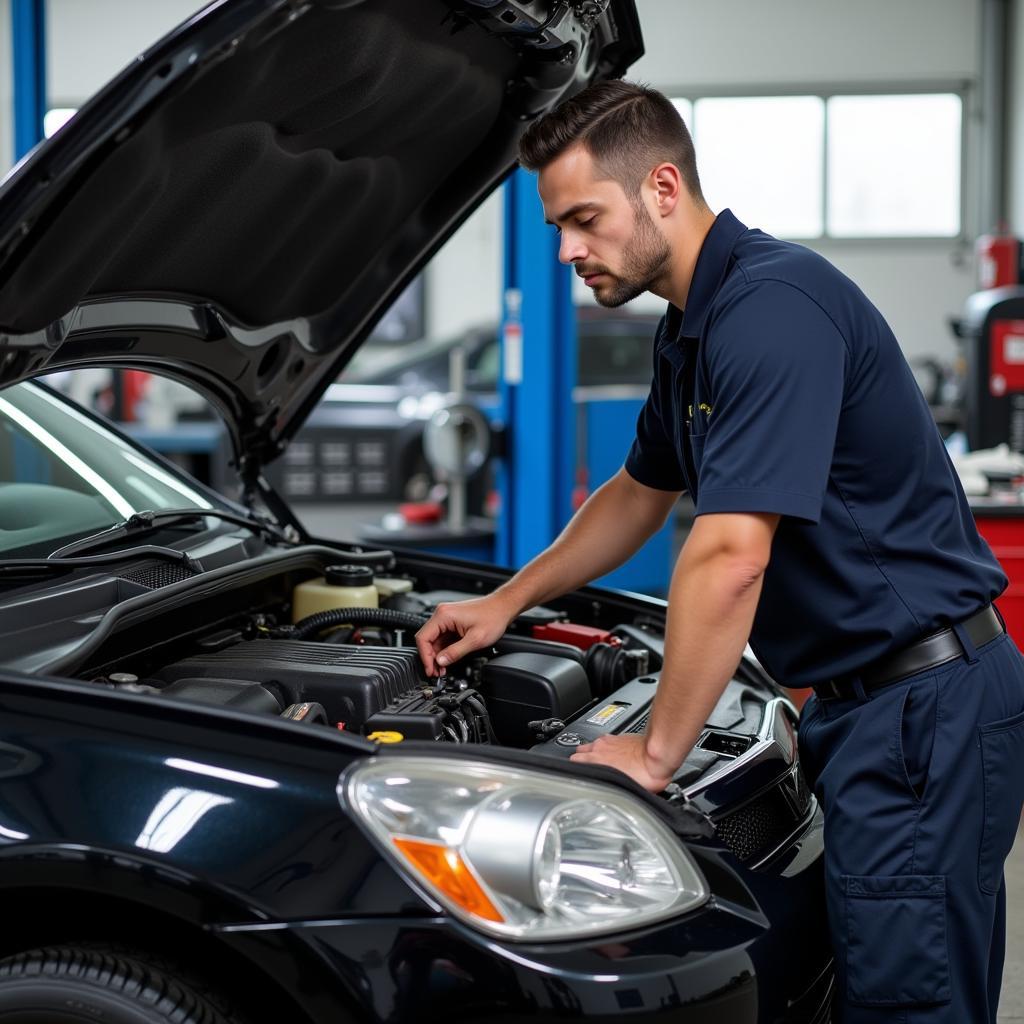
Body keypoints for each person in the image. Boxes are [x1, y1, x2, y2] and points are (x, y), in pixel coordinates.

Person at [414, 79, 1024, 1023]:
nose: (568, 249)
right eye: (558, 226)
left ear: (662, 188)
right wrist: (509, 601)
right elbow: (636, 494)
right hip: (871, 707)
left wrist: (659, 752)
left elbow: (731, 551)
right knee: (870, 981)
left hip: (920, 711)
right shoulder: (690, 330)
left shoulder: (770, 311)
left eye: (583, 218)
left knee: (910, 1004)